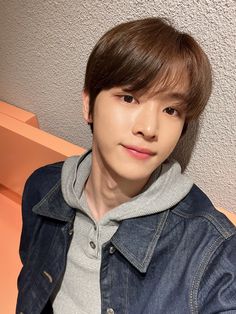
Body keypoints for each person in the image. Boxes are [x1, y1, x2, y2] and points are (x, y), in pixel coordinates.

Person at [16, 17, 236, 314]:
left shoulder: (211, 254)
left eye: (171, 110)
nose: (148, 128)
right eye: (129, 97)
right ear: (88, 105)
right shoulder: (42, 190)